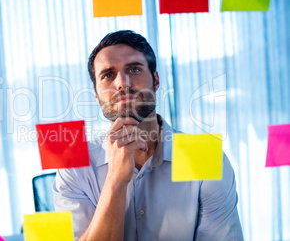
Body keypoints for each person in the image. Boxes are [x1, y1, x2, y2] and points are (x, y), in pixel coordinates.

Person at [53, 30, 243, 241]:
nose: (122, 83)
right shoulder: (75, 167)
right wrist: (115, 182)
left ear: (156, 80)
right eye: (108, 74)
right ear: (97, 96)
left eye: (134, 69)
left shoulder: (206, 157)